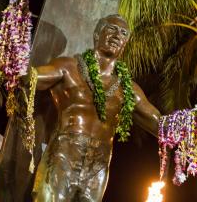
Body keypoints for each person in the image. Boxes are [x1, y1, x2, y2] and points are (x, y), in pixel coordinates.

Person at [31, 14, 161, 202]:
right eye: (111, 29)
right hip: (63, 155)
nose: (117, 35)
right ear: (97, 34)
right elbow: (32, 78)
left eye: (123, 33)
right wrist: (15, 55)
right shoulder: (68, 66)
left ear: (126, 43)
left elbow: (159, 123)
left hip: (98, 165)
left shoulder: (128, 88)